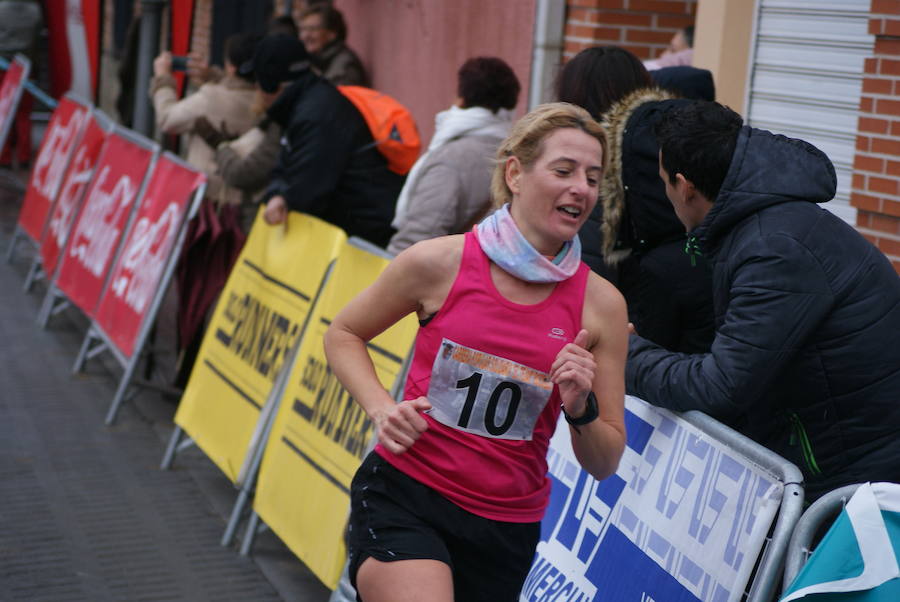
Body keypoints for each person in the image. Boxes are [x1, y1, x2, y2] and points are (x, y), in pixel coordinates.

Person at [324, 103, 627, 602]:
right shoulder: (438, 262)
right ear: (515, 174)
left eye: (593, 178)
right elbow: (344, 332)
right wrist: (381, 408)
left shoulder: (602, 306)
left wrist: (580, 408)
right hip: (407, 494)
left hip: (506, 527)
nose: (581, 188)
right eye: (564, 171)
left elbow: (605, 461)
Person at [628, 100, 900, 501]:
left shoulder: (773, 249)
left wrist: (627, 354)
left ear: (685, 187)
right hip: (843, 453)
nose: (665, 194)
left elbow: (719, 386)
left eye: (664, 182)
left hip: (853, 480)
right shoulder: (764, 221)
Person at [557, 46, 714, 353]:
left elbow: (588, 283)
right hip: (692, 330)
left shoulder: (594, 172)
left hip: (616, 341)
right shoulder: (675, 148)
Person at [255, 34, 403, 248]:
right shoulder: (308, 104)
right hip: (357, 227)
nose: (256, 90)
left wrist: (284, 197)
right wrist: (278, 194)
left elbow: (308, 188)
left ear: (271, 84)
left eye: (258, 82)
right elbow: (288, 165)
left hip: (366, 234)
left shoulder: (315, 114)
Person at [387, 56, 520, 255]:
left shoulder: (450, 158)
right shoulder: (520, 156)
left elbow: (418, 237)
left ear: (461, 99)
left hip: (450, 270)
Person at [151, 32, 260, 210]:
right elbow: (240, 88)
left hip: (208, 198)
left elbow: (167, 118)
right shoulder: (267, 101)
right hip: (247, 200)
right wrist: (213, 76)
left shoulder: (212, 98)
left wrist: (163, 78)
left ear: (230, 67)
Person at [0, 0, 42, 169]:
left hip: (3, 65)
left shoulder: (1, 8)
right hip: (25, 65)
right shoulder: (35, 11)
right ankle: (24, 156)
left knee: (3, 111)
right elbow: (37, 40)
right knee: (24, 114)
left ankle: (4, 156)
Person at [298, 4, 368, 86]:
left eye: (312, 29)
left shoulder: (345, 66)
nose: (305, 36)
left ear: (332, 33)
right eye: (303, 29)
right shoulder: (318, 61)